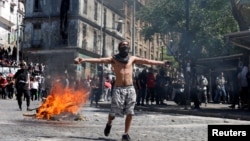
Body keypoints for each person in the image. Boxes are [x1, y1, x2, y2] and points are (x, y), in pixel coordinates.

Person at [74, 40, 170, 141]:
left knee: (130, 111)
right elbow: (100, 60)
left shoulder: (132, 59)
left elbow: (147, 61)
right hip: (118, 89)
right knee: (113, 113)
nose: (125, 46)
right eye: (123, 45)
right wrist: (83, 60)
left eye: (127, 45)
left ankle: (125, 134)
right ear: (119, 47)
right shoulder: (114, 59)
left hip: (130, 88)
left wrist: (162, 63)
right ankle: (109, 123)